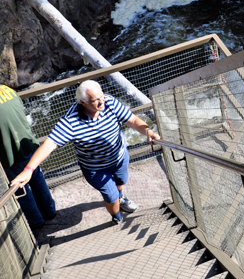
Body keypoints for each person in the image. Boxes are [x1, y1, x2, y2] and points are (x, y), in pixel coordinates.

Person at [11, 80, 160, 224]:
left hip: (119, 157)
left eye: (102, 96)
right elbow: (49, 144)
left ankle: (120, 198)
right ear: (83, 102)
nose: (102, 102)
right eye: (96, 100)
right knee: (111, 195)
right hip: (96, 168)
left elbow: (132, 120)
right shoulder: (71, 121)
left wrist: (147, 131)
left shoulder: (110, 102)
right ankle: (117, 217)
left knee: (121, 181)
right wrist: (29, 170)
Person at [1, 85, 56, 229]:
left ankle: (36, 223)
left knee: (20, 190)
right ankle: (50, 212)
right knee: (36, 177)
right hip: (28, 143)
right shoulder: (6, 89)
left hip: (10, 154)